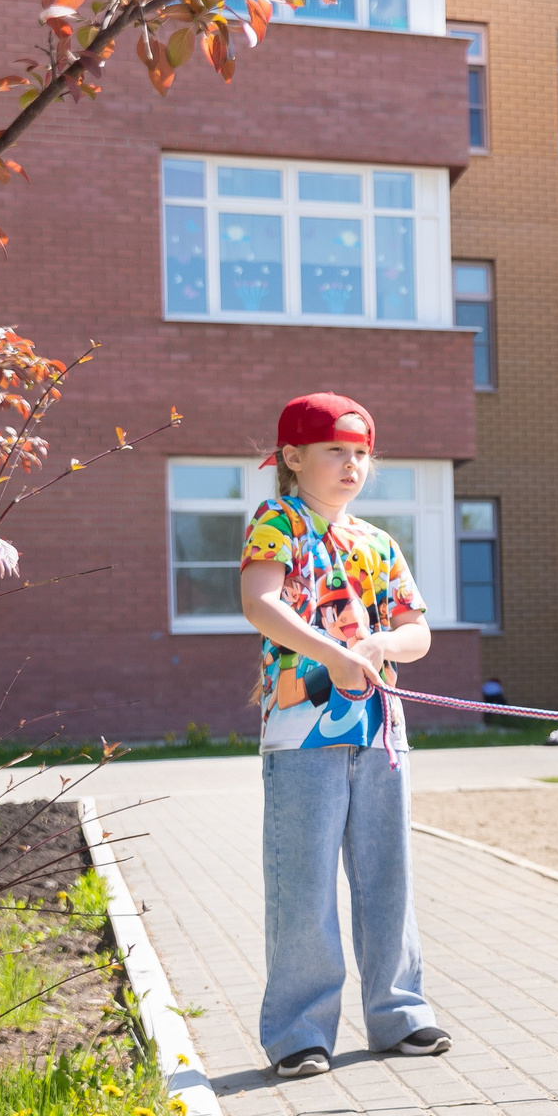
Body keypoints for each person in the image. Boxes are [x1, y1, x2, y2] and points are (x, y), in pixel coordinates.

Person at [237, 393, 448, 1079]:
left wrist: (386, 640)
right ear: (293, 458)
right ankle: (300, 1032)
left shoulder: (377, 543)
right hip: (301, 736)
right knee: (303, 884)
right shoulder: (277, 521)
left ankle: (400, 1014)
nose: (353, 463)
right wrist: (330, 651)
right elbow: (259, 601)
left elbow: (418, 631)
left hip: (381, 734)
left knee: (388, 875)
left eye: (361, 452)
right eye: (336, 449)